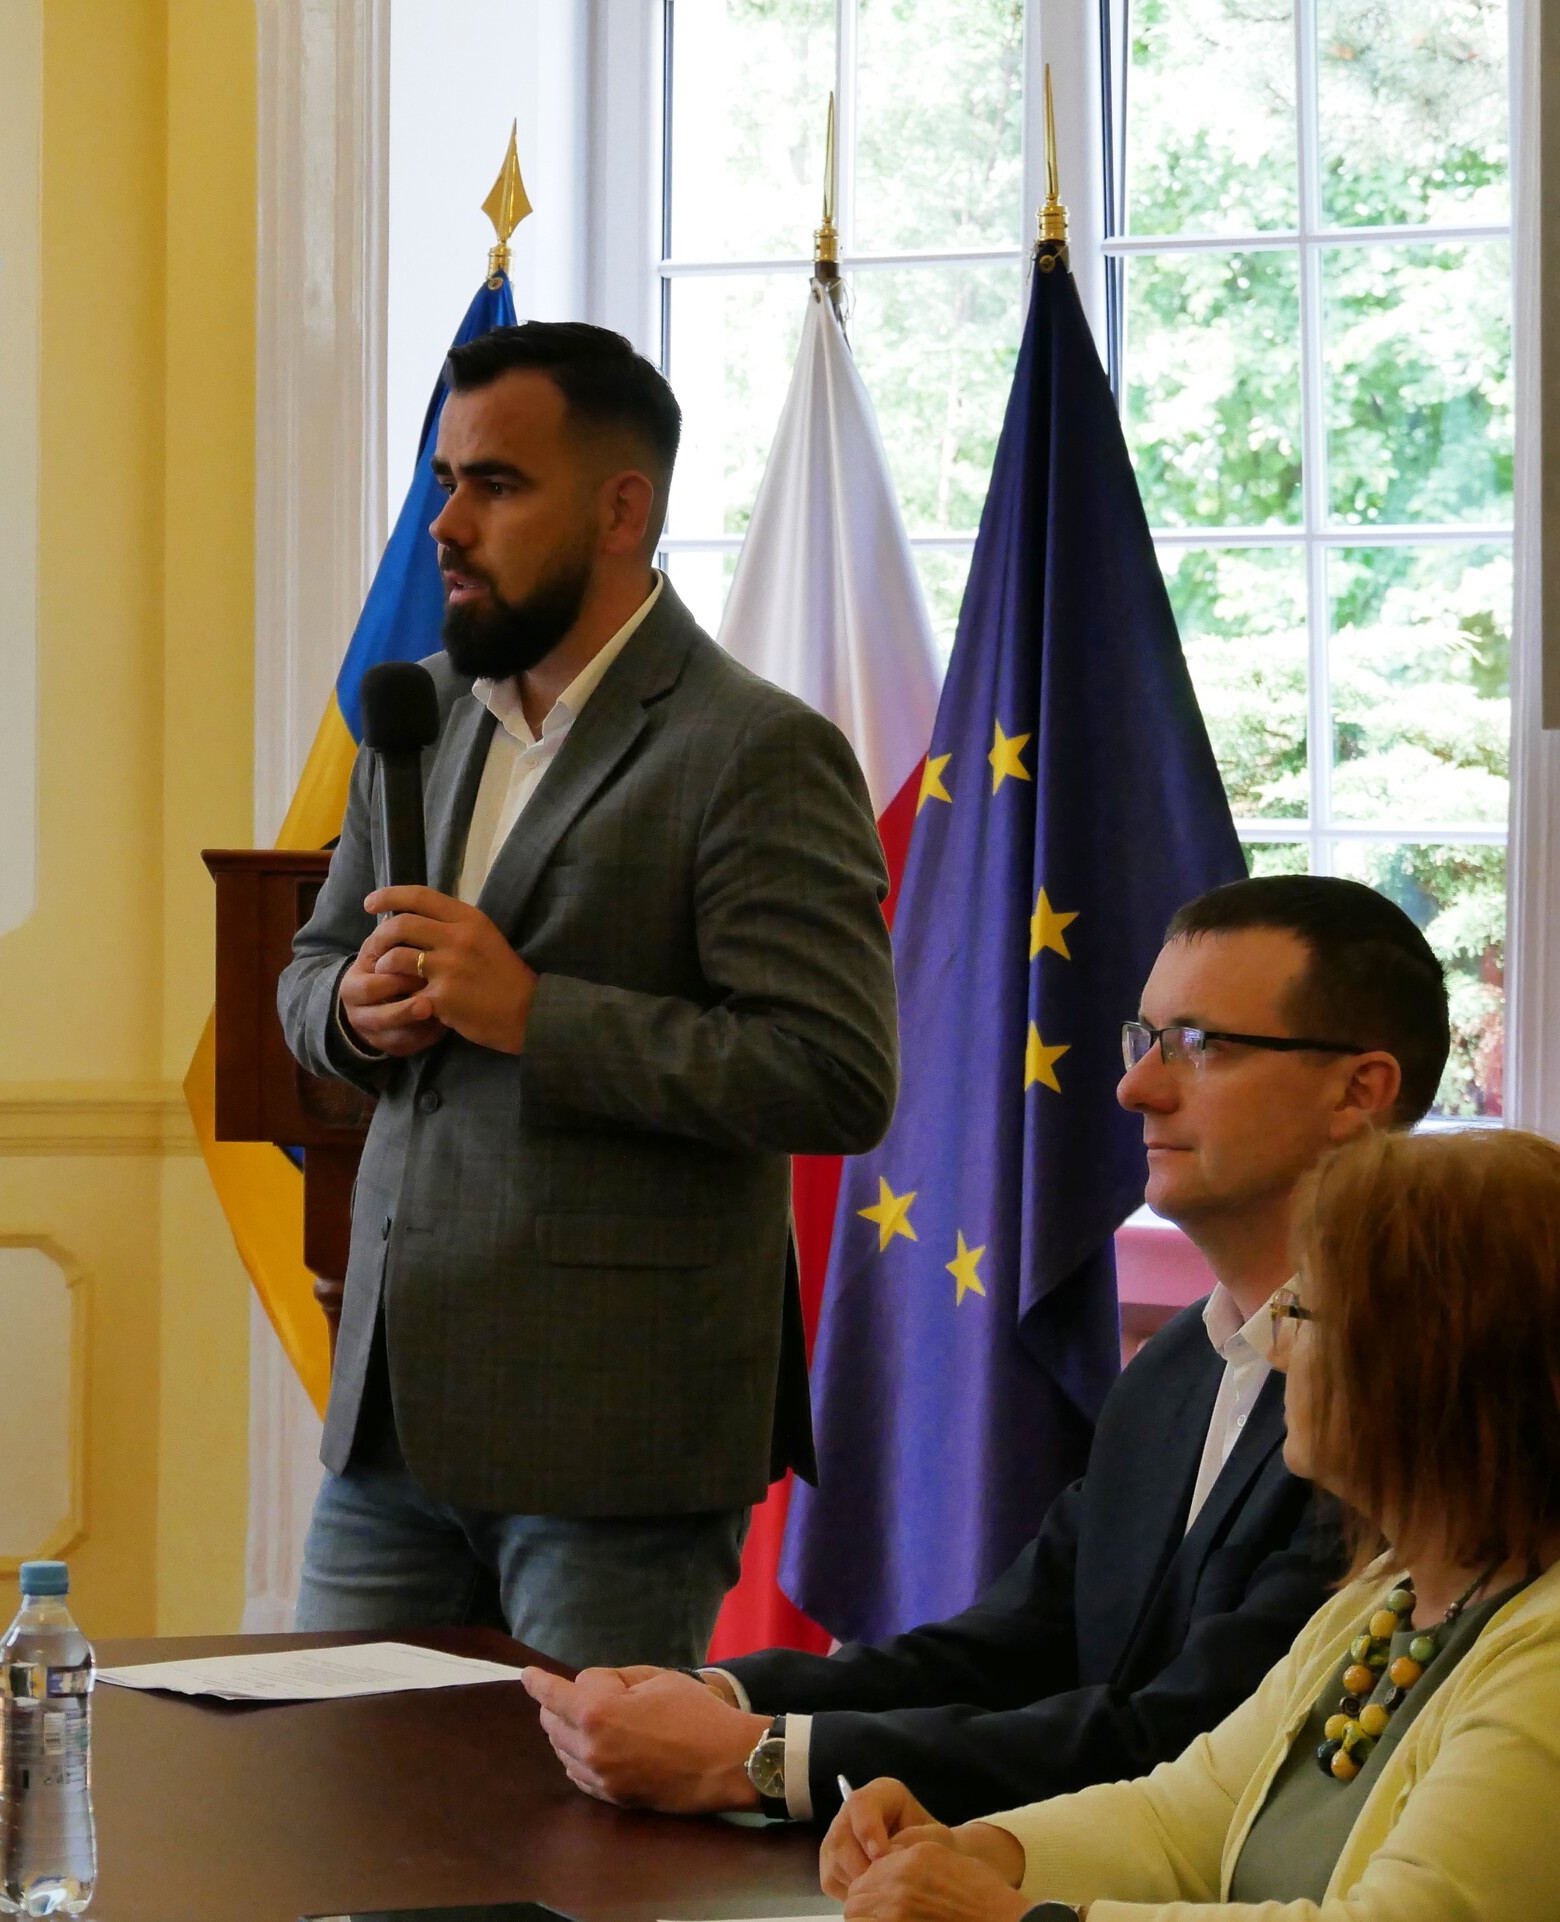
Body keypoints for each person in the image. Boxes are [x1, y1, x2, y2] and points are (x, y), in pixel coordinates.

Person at [529, 877, 1450, 1823]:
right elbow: (1014, 1645)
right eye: (1143, 1040)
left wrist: (759, 1759)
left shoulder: (1413, 1393)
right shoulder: (1177, 1366)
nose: (1135, 1086)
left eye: (1197, 1045)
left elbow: (1184, 1744)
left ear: (1359, 1091)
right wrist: (721, 1695)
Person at [275, 320, 899, 1672]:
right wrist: (351, 1008)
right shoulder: (418, 712)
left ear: (622, 510)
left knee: (571, 1806)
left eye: (495, 485)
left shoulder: (755, 749)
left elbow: (832, 1072)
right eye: (446, 479)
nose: (447, 525)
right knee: (323, 1775)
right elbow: (311, 966)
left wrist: (533, 1013)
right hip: (392, 1417)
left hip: (615, 1442)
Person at [819, 1124, 1560, 1922]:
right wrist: (977, 1850)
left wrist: (1010, 1917)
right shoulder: (1384, 1599)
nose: (1278, 1348)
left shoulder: (1545, 1660)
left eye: (1303, 1310)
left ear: (1427, 1362)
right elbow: (1183, 1817)